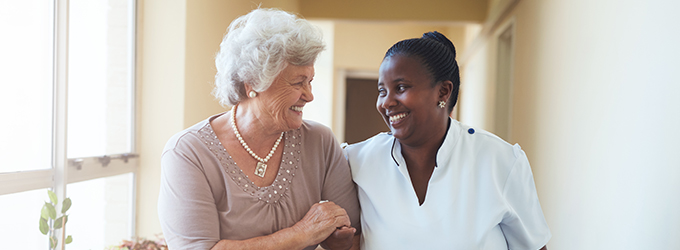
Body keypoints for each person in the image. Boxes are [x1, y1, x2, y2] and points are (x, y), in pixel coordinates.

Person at [158, 9, 360, 250]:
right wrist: (302, 234)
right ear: (253, 82)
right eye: (298, 82)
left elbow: (354, 238)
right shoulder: (188, 152)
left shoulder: (320, 141)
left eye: (310, 81)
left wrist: (338, 237)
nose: (309, 95)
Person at [344, 31, 551, 249]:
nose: (386, 103)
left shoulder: (500, 161)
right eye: (382, 91)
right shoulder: (357, 162)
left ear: (443, 92)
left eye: (401, 88)